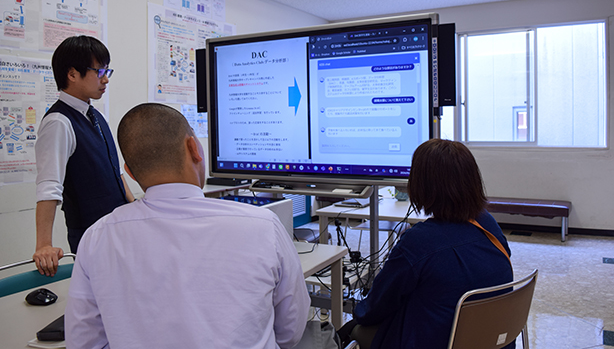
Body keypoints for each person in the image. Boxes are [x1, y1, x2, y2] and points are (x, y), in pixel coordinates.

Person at [65, 103, 310, 348]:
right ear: (194, 148)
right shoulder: (263, 226)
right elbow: (290, 329)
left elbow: (84, 341)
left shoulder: (96, 238)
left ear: (129, 171)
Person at [345, 138, 514, 349]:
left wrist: (357, 312)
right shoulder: (487, 223)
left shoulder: (418, 241)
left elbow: (375, 307)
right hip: (492, 339)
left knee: (352, 330)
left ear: (421, 185)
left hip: (440, 341)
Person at [33, 35, 134, 276]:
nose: (106, 79)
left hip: (119, 228)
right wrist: (44, 245)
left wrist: (136, 208)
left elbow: (115, 171)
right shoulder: (58, 122)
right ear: (72, 74)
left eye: (107, 71)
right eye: (99, 72)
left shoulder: (96, 116)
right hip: (91, 236)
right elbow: (49, 186)